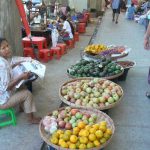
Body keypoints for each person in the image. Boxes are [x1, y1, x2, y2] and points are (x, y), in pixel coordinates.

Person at [0, 38, 41, 124]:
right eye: (3, 48)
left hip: (2, 94)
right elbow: (6, 87)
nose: (7, 49)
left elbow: (8, 68)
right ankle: (31, 119)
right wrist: (21, 77)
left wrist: (17, 64)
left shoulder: (3, 60)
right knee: (27, 94)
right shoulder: (2, 65)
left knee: (22, 86)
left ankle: (23, 107)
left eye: (7, 46)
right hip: (3, 101)